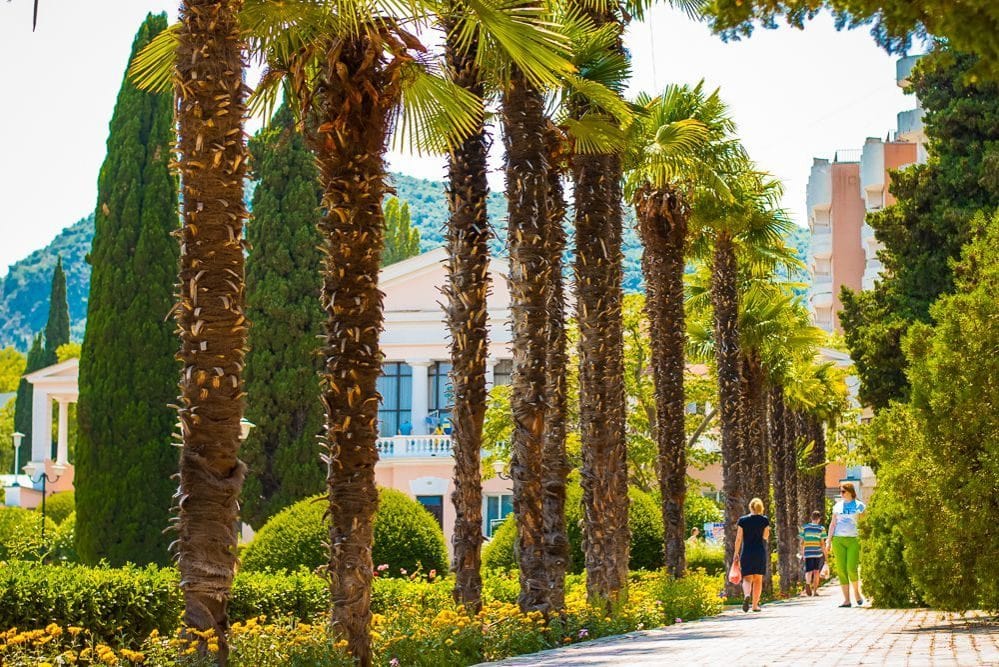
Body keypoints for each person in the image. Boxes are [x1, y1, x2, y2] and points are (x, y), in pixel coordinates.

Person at [827, 482, 866, 607]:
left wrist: (865, 539)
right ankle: (847, 600)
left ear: (850, 492)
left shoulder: (859, 505)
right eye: (840, 491)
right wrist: (828, 541)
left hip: (853, 540)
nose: (841, 494)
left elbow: (864, 523)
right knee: (841, 570)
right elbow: (833, 524)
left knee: (851, 569)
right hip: (838, 540)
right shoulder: (837, 506)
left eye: (843, 491)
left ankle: (856, 593)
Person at [733, 497, 770, 612]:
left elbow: (738, 539)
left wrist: (736, 553)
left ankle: (747, 595)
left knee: (747, 578)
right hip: (759, 552)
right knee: (758, 579)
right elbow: (765, 537)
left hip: (747, 552)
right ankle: (755, 605)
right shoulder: (764, 520)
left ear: (750, 507)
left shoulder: (743, 520)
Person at [799, 510, 828, 596]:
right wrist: (826, 556)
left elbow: (802, 542)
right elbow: (822, 544)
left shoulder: (804, 528)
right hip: (817, 553)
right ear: (819, 519)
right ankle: (815, 591)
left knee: (808, 571)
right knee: (816, 572)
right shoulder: (821, 528)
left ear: (811, 518)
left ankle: (808, 584)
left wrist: (802, 553)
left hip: (808, 552)